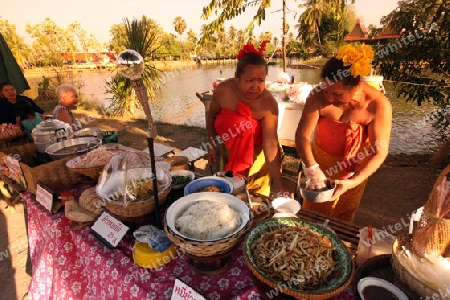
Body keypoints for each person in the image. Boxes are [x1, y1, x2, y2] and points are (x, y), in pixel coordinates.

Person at [295, 44, 392, 221]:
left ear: (356, 86)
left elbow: (380, 151)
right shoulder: (318, 96)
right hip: (320, 164)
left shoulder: (378, 105)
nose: (329, 99)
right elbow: (301, 135)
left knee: (344, 215)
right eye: (325, 91)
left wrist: (353, 181)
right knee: (313, 215)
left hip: (355, 168)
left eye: (337, 94)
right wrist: (312, 168)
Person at [207, 41, 292, 197]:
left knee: (255, 199)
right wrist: (212, 145)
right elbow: (211, 116)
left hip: (258, 156)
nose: (255, 86)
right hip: (229, 149)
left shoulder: (268, 104)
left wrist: (279, 181)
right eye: (249, 80)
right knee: (228, 191)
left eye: (261, 80)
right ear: (237, 78)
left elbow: (271, 144)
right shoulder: (223, 91)